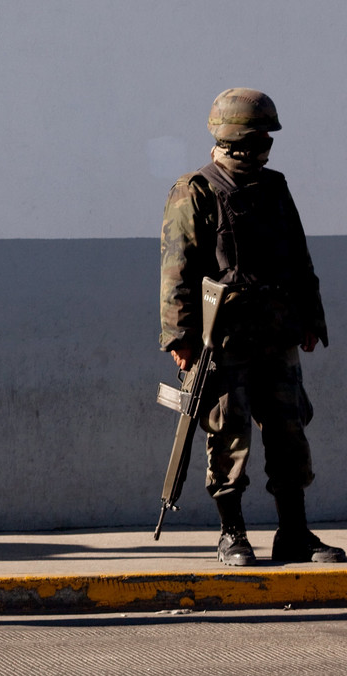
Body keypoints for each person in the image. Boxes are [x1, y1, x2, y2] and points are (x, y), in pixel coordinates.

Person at [159, 89, 344, 567]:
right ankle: (232, 534)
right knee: (229, 434)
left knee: (289, 433)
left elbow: (299, 258)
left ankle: (295, 533)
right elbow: (177, 268)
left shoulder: (274, 186)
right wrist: (180, 338)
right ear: (237, 134)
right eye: (260, 132)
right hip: (223, 342)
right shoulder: (195, 189)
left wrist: (310, 319)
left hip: (277, 334)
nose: (267, 141)